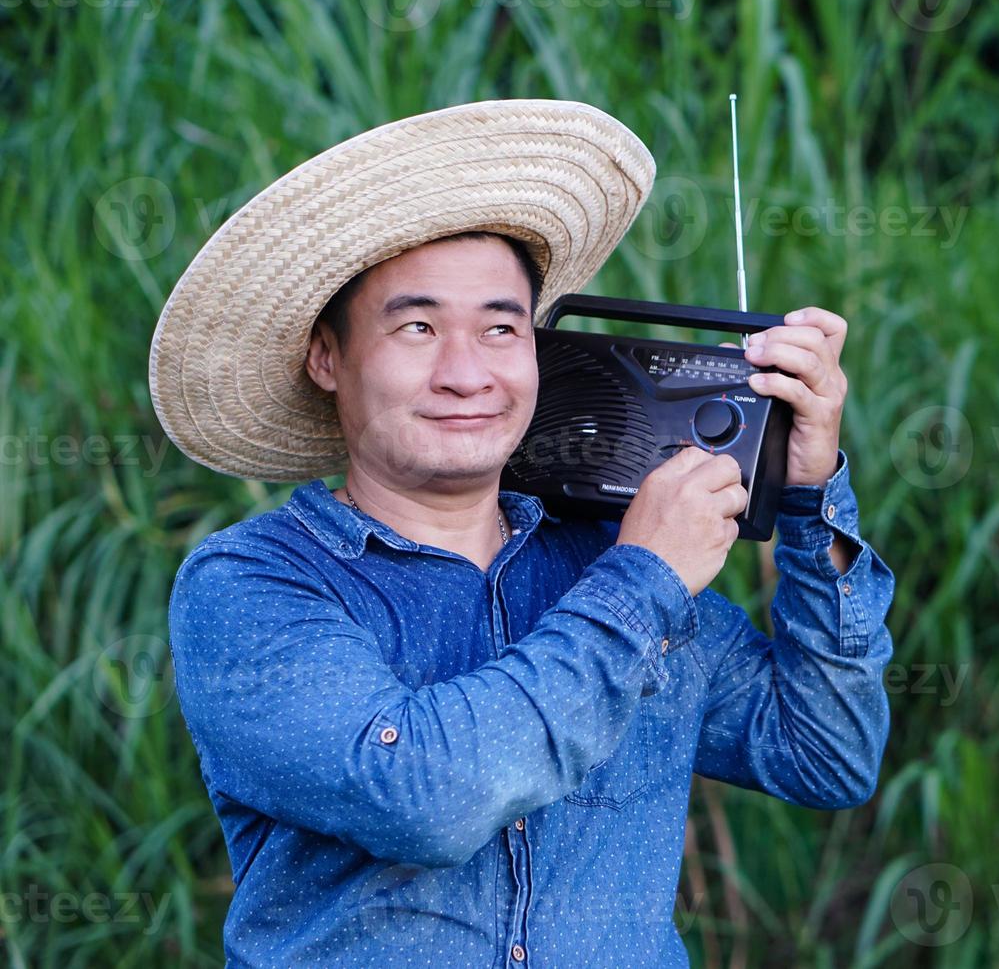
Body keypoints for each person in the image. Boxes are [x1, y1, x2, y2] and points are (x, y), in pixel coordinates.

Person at [149, 98, 895, 967]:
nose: (466, 374)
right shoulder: (253, 584)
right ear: (326, 356)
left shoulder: (606, 552)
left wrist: (810, 502)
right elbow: (426, 799)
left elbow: (825, 755)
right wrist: (644, 578)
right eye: (417, 327)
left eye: (501, 328)